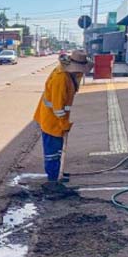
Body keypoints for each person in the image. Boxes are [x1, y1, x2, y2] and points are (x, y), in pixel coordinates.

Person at [33, 49, 93, 184]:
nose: (81, 73)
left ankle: (58, 171)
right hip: (52, 120)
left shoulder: (69, 75)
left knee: (58, 148)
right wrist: (64, 124)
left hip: (57, 119)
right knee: (52, 151)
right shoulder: (61, 78)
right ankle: (53, 178)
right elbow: (58, 107)